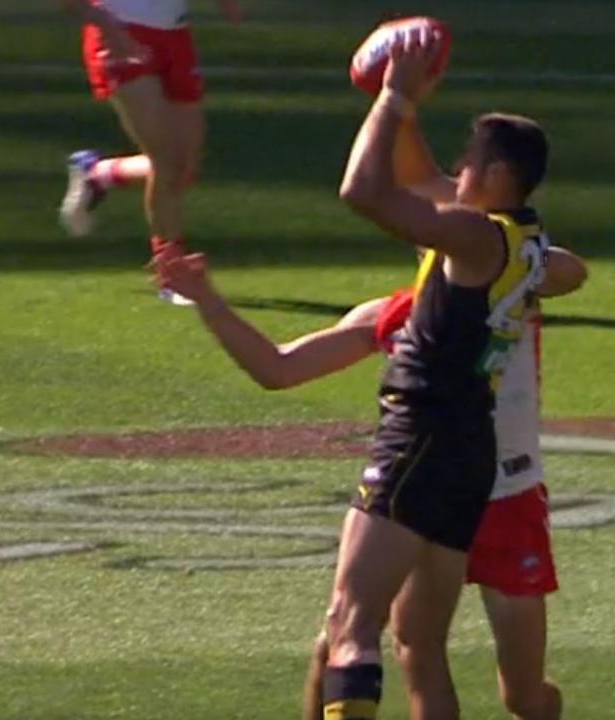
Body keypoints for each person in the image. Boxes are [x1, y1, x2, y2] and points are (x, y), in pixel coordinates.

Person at [154, 241, 583, 720]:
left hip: (508, 500)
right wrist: (207, 299)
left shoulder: (512, 292)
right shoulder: (395, 313)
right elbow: (278, 367)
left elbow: (571, 272)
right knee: (396, 646)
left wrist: (516, 251)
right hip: (431, 485)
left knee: (525, 699)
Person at [57, 0, 239, 303]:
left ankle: (97, 173)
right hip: (120, 33)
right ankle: (172, 274)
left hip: (176, 34)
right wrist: (103, 22)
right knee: (166, 164)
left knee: (183, 169)